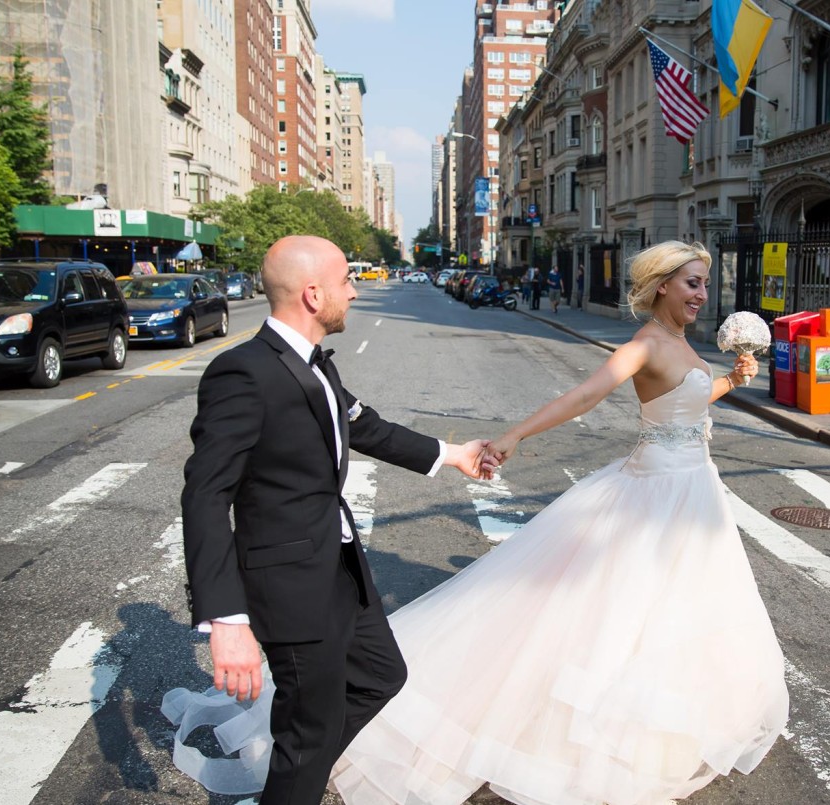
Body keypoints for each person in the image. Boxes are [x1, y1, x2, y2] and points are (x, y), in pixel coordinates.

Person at [328, 240, 787, 805]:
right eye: (692, 283)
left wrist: (733, 381)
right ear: (663, 285)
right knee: (619, 613)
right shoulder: (646, 342)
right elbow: (586, 395)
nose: (702, 294)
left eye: (704, 284)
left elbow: (686, 406)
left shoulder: (680, 342)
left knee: (680, 610)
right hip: (657, 492)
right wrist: (516, 435)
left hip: (694, 491)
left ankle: (665, 719)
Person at [175, 235, 492, 805]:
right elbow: (204, 493)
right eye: (347, 280)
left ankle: (300, 771)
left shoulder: (314, 365)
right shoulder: (243, 373)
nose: (354, 290)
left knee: (379, 676)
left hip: (338, 567)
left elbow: (364, 426)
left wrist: (452, 453)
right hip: (289, 585)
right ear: (314, 294)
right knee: (308, 729)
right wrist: (226, 619)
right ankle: (297, 773)